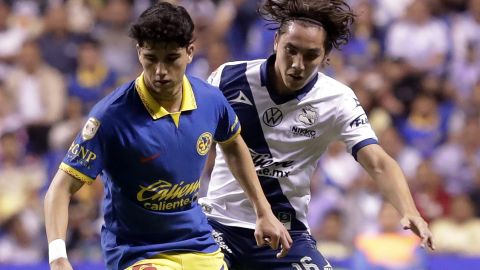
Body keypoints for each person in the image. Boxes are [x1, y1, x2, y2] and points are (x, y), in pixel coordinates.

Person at [44, 2, 291, 270]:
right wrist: (58, 256)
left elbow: (233, 145)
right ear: (139, 53)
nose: (160, 71)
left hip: (199, 245)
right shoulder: (110, 116)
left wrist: (263, 210)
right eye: (151, 58)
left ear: (190, 52)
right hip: (139, 253)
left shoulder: (210, 100)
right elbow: (60, 188)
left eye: (171, 58)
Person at [200, 0, 434, 269]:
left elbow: (378, 162)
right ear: (276, 41)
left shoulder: (337, 99)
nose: (298, 64)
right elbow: (195, 139)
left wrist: (409, 210)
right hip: (219, 224)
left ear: (325, 56)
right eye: (291, 50)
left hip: (287, 233)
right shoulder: (228, 78)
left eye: (310, 55)